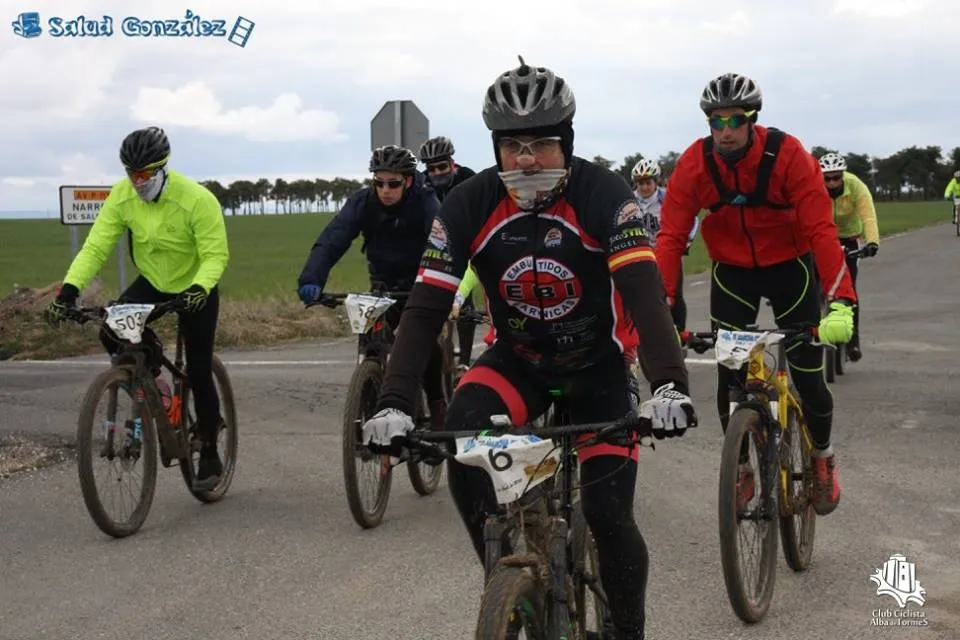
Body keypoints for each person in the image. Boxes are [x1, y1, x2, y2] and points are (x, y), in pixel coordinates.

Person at [361, 56, 697, 640]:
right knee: (463, 440)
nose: (525, 159)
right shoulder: (469, 203)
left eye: (541, 144)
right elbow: (426, 306)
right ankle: (505, 584)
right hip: (517, 362)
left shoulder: (604, 194)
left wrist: (669, 384)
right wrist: (393, 401)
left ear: (566, 143)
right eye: (511, 146)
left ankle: (627, 631)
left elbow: (645, 296)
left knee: (609, 516)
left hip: (596, 368)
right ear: (495, 148)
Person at [656, 72, 856, 517]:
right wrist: (661, 305)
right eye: (716, 122)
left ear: (752, 120)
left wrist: (841, 301)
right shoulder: (694, 164)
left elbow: (822, 230)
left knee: (808, 377)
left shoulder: (789, 155)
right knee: (730, 379)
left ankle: (822, 456)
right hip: (733, 274)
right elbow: (670, 238)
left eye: (735, 120)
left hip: (791, 268)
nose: (725, 131)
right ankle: (742, 465)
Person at [44, 126, 230, 490]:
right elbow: (96, 247)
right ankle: (152, 382)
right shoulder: (122, 196)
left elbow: (215, 254)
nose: (138, 181)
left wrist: (200, 288)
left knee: (198, 367)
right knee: (110, 329)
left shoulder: (196, 199)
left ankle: (209, 445)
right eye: (132, 174)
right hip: (154, 281)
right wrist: (68, 291)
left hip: (195, 285)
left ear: (162, 168)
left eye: (144, 174)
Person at [297, 145, 447, 422]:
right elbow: (332, 240)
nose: (385, 190)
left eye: (393, 183)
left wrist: (443, 285)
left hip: (420, 282)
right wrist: (312, 279)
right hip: (382, 284)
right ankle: (368, 396)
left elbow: (442, 244)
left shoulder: (425, 201)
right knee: (371, 339)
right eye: (379, 183)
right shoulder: (362, 202)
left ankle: (437, 403)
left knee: (423, 338)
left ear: (408, 181)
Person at [420, 136, 480, 368]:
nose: (437, 172)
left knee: (464, 303)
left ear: (452, 163)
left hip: (467, 241)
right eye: (431, 169)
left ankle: (464, 361)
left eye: (442, 167)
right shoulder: (423, 186)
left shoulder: (469, 179)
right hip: (435, 244)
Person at [818, 152, 879, 362]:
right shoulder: (814, 186)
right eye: (827, 179)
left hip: (849, 237)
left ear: (843, 175)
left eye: (836, 178)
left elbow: (868, 215)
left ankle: (853, 340)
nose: (832, 183)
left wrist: (872, 242)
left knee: (849, 289)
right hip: (822, 237)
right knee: (813, 286)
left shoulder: (855, 186)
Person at [631, 157, 700, 332]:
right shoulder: (630, 201)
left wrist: (687, 240)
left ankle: (680, 333)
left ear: (656, 181)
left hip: (667, 252)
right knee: (642, 296)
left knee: (674, 295)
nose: (644, 187)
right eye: (640, 183)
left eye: (648, 182)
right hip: (643, 254)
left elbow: (691, 218)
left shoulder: (668, 198)